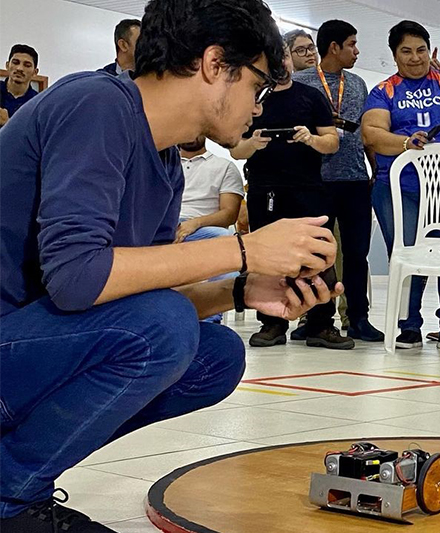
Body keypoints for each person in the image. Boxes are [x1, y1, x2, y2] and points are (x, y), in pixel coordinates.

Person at [0, 1, 343, 529]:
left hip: (22, 348)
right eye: (257, 85)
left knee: (217, 355)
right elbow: (77, 279)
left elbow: (127, 302)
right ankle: (10, 495)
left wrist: (240, 290)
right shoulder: (95, 103)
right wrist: (243, 249)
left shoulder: (163, 166)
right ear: (213, 64)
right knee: (166, 327)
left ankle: (18, 486)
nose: (258, 107)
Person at [362, 20, 440, 350]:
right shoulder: (383, 90)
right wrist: (403, 142)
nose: (415, 58)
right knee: (405, 254)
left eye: (421, 50)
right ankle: (408, 326)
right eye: (406, 52)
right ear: (394, 55)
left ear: (430, 51)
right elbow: (371, 133)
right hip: (398, 188)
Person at [231, 42, 351, 350]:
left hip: (307, 189)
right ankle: (272, 323)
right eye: (274, 57)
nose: (280, 62)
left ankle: (321, 324)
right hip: (264, 190)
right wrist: (253, 144)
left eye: (284, 56)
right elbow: (236, 148)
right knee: (266, 257)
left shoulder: (311, 97)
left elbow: (332, 143)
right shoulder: (252, 100)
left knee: (318, 255)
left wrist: (311, 139)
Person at [294, 20, 383, 342]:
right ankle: (317, 319)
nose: (357, 51)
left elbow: (366, 134)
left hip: (355, 179)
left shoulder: (358, 84)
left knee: (357, 254)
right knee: (317, 255)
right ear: (334, 47)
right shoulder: (299, 82)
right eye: (352, 44)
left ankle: (358, 317)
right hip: (314, 181)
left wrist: (373, 170)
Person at [177, 136, 245, 322]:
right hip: (164, 226)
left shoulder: (224, 167)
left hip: (202, 229)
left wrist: (195, 223)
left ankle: (210, 317)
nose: (191, 133)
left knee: (227, 241)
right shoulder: (164, 164)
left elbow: (229, 214)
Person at [0, 44, 39, 127]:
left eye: (27, 65)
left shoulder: (38, 103)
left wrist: (8, 123)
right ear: (7, 65)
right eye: (15, 62)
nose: (19, 68)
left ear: (35, 72)